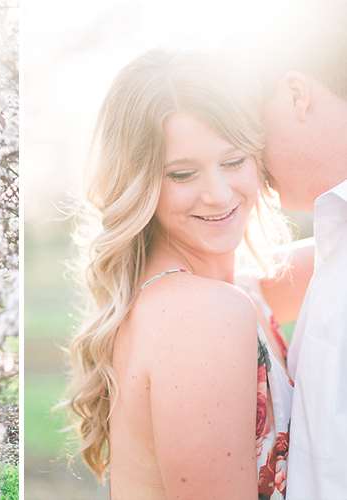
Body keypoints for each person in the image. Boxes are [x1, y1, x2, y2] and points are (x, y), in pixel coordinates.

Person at [68, 50, 313, 499]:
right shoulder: (201, 315)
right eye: (182, 174)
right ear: (138, 183)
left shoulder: (219, 292)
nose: (218, 195)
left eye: (234, 161)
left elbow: (329, 257)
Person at [255, 2, 347, 498]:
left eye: (251, 129)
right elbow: (256, 278)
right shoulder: (336, 235)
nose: (249, 157)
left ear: (296, 95)